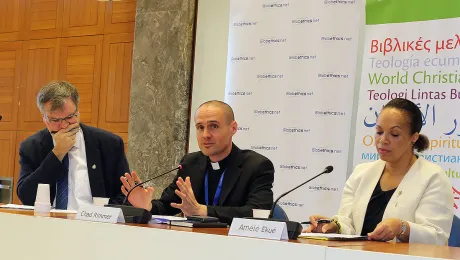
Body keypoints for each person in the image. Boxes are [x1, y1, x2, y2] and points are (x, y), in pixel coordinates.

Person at [304, 98, 453, 245]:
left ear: (413, 138)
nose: (383, 140)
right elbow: (348, 224)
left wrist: (402, 228)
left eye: (394, 134)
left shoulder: (433, 177)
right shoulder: (361, 173)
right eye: (379, 132)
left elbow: (437, 237)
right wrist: (332, 227)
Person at [121, 100, 274, 224]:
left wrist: (202, 211)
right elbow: (169, 204)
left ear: (233, 128)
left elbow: (258, 213)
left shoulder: (256, 166)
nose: (205, 135)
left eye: (213, 126)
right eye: (200, 127)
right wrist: (147, 206)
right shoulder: (190, 163)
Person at [17, 81, 129, 210]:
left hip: (94, 224)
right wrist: (57, 154)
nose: (64, 125)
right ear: (45, 119)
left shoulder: (109, 144)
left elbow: (125, 194)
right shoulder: (31, 147)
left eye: (70, 117)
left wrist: (102, 216)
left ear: (78, 112)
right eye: (55, 120)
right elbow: (26, 197)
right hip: (48, 224)